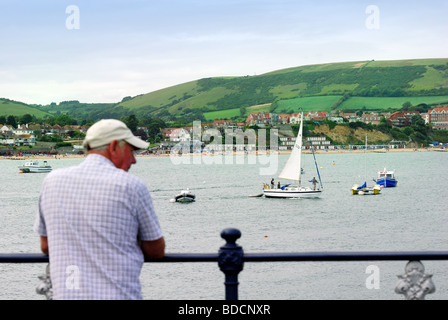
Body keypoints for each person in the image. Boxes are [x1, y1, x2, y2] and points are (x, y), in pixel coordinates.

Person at [34, 119, 165, 300]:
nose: (134, 160)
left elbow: (46, 245)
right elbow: (156, 250)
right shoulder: (131, 186)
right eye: (131, 151)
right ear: (113, 147)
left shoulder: (51, 181)